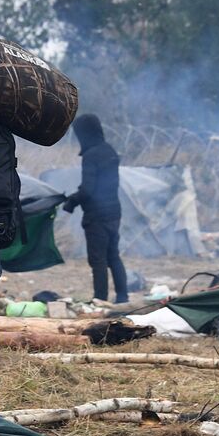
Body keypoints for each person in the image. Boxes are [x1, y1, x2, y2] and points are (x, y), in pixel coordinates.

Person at [62, 113, 128, 304]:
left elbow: (88, 190)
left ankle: (100, 299)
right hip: (114, 212)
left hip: (97, 217)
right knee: (113, 256)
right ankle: (122, 297)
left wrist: (72, 201)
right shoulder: (109, 150)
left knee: (98, 260)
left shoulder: (91, 156)